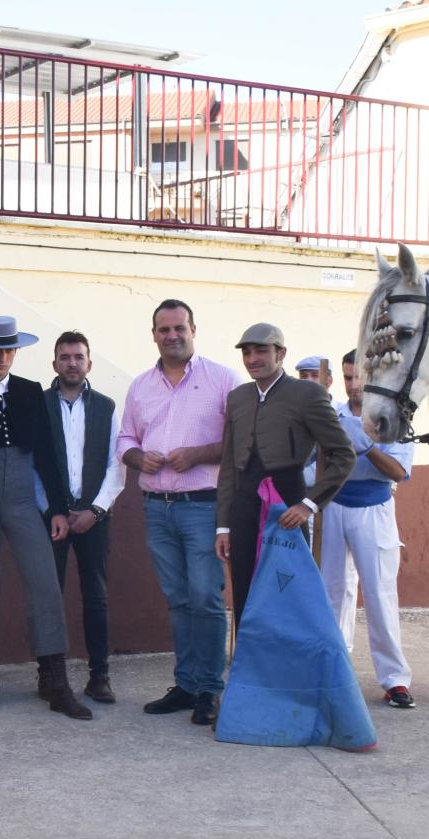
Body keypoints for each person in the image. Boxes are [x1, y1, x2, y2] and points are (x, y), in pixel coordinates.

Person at [0, 316, 92, 721]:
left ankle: (57, 680)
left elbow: (47, 452)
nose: (1, 356)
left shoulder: (31, 392)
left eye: (8, 349)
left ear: (15, 352)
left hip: (25, 499)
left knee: (45, 583)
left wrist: (59, 508)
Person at [213, 322, 354, 725]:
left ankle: (288, 691)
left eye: (262, 351)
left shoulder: (307, 394)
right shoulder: (238, 397)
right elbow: (227, 466)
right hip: (243, 504)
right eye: (247, 352)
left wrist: (309, 504)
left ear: (281, 354)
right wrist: (223, 525)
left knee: (285, 597)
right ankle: (248, 690)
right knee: (244, 599)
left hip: (287, 507)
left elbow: (341, 455)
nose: (254, 359)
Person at [116, 300, 238, 725]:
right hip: (157, 509)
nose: (172, 335)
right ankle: (185, 685)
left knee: (205, 599)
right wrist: (137, 458)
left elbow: (241, 442)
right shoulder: (140, 386)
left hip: (203, 507)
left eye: (179, 328)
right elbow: (125, 438)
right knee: (178, 599)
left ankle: (210, 689)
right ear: (153, 335)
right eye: (164, 329)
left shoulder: (222, 379)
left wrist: (199, 454)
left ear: (193, 329)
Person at [319, 349, 416, 708]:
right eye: (347, 378)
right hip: (332, 504)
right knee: (333, 590)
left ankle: (394, 679)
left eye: (360, 377)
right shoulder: (333, 415)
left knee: (379, 593)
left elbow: (399, 472)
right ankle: (335, 666)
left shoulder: (392, 417)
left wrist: (369, 448)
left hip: (373, 508)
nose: (354, 385)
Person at [42, 331, 124, 705]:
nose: (72, 363)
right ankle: (49, 675)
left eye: (78, 356)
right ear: (54, 363)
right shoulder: (38, 405)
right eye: (65, 356)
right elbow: (33, 464)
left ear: (89, 363)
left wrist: (95, 510)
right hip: (52, 518)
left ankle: (99, 676)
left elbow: (116, 466)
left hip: (94, 517)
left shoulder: (106, 407)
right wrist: (53, 510)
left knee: (97, 597)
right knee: (48, 597)